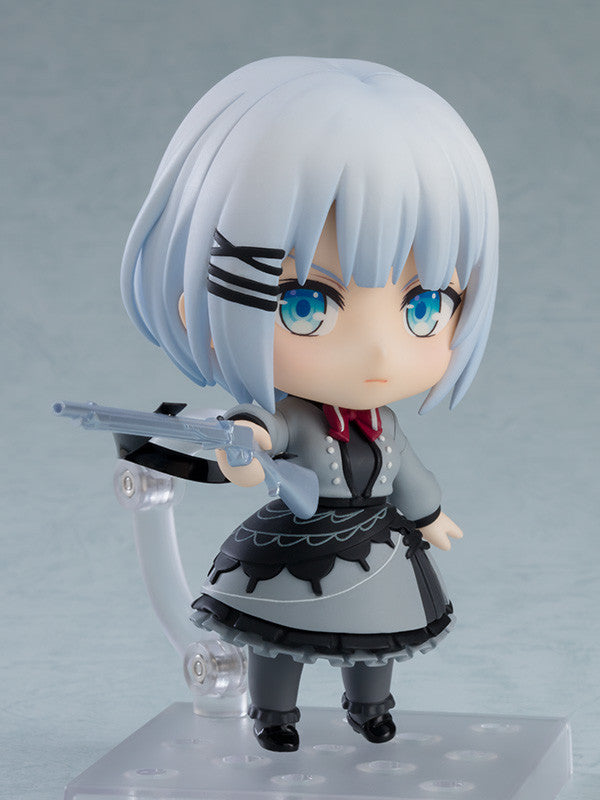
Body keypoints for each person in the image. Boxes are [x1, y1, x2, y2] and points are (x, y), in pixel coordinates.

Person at [121, 57, 498, 752]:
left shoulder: (383, 424)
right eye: (306, 304)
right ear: (204, 304)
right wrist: (243, 451)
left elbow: (408, 474)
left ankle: (370, 707)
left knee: (377, 635)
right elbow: (258, 434)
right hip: (298, 544)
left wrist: (429, 514)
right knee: (277, 637)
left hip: (376, 542)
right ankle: (274, 714)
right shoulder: (298, 418)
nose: (378, 354)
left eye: (424, 307)